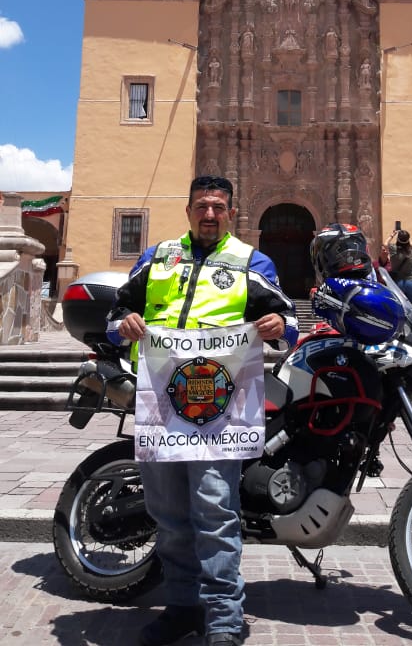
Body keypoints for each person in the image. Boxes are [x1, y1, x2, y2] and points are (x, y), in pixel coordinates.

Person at [106, 174, 298, 646]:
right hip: (159, 408)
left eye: (217, 207)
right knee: (168, 514)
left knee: (215, 511)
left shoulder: (252, 262)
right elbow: (115, 318)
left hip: (221, 411)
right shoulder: (156, 258)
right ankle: (182, 607)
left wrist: (278, 325)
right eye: (201, 206)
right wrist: (124, 325)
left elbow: (290, 324)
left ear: (231, 212)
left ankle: (224, 619)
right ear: (188, 209)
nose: (209, 214)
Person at [387, 227, 412, 310]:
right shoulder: (411, 251)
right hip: (411, 282)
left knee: (399, 307)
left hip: (398, 283)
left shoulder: (394, 249)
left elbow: (385, 244)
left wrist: (393, 234)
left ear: (398, 239)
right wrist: (407, 240)